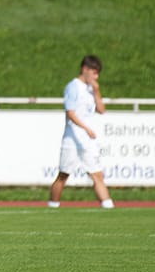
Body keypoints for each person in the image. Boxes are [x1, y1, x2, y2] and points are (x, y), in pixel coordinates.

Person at [48, 55, 114, 209]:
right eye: (94, 72)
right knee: (63, 175)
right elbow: (70, 113)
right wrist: (86, 128)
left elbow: (101, 110)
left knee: (97, 174)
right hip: (72, 139)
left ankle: (108, 207)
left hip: (87, 140)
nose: (96, 77)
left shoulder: (91, 89)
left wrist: (97, 92)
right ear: (85, 69)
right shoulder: (73, 86)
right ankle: (52, 206)